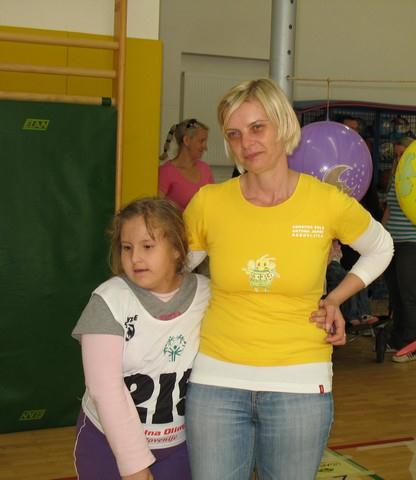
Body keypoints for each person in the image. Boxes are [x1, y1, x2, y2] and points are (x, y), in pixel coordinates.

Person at [182, 78, 393, 479]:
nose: (246, 143)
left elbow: (381, 247)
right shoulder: (209, 203)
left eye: (257, 128)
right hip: (217, 382)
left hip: (299, 383)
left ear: (282, 125)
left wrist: (335, 299)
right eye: (234, 134)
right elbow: (172, 277)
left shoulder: (325, 201)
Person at [72, 198, 211, 480]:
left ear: (176, 249)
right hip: (107, 446)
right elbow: (105, 389)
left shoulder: (208, 295)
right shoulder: (109, 300)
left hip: (180, 448)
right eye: (127, 247)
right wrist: (134, 466)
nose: (135, 258)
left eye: (147, 246)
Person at [381, 136, 416, 363]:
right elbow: (389, 209)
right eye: (397, 155)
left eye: (404, 154)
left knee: (409, 295)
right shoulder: (395, 177)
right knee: (396, 294)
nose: (399, 158)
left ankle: (412, 345)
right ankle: (398, 339)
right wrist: (381, 235)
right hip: (393, 243)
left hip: (413, 244)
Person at [158, 118, 214, 211]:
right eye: (201, 141)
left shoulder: (205, 169)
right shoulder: (166, 172)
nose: (205, 147)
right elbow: (156, 210)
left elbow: (212, 204)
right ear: (187, 140)